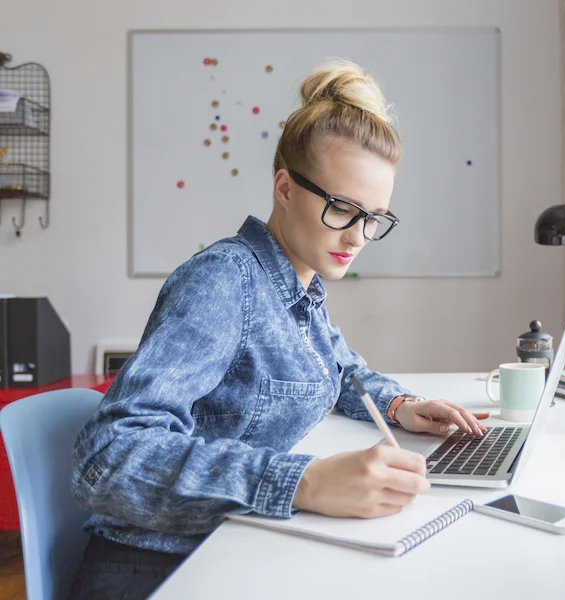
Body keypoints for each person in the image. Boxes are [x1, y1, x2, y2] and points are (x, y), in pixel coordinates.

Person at [68, 59, 489, 600]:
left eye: (375, 217)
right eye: (342, 208)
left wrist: (400, 407)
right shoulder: (223, 282)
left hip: (237, 544)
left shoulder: (301, 288)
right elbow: (108, 457)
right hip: (157, 568)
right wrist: (304, 482)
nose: (358, 236)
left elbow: (343, 369)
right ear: (285, 188)